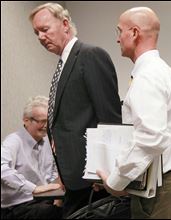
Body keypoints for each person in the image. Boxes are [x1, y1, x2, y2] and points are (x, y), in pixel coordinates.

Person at [96, 7, 171, 219]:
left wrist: (115, 181)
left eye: (119, 31)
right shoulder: (162, 71)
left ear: (134, 33)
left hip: (161, 188)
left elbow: (151, 138)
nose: (118, 39)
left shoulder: (147, 77)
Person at [29, 3, 122, 218]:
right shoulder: (63, 63)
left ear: (64, 24)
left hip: (93, 179)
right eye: (36, 33)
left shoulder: (90, 55)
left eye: (45, 29)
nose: (41, 37)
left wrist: (105, 172)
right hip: (72, 176)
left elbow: (110, 119)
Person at [1, 96, 62, 219]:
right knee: (56, 213)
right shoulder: (13, 141)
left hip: (43, 200)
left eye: (48, 121)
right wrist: (33, 188)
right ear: (26, 120)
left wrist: (58, 195)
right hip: (17, 206)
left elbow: (52, 174)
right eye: (41, 121)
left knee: (76, 205)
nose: (46, 126)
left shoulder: (46, 141)